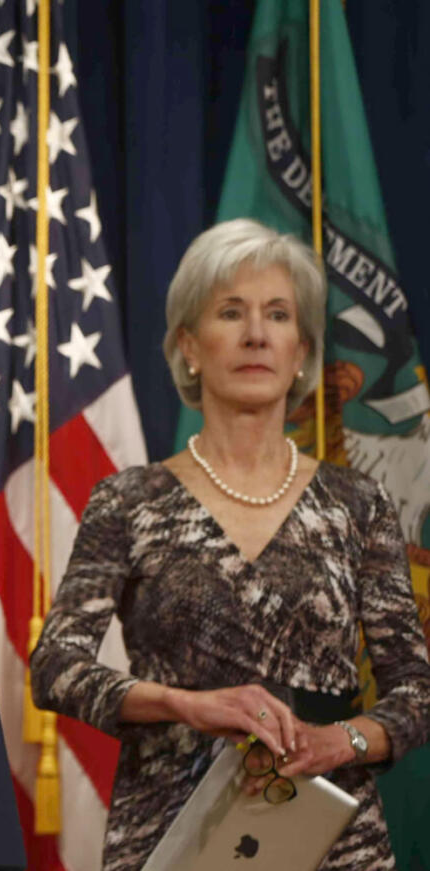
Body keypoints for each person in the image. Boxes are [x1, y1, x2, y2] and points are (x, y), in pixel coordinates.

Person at [30, 218, 430, 871]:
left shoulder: (362, 505)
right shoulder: (129, 500)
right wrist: (185, 703)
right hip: (168, 832)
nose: (255, 334)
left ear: (301, 351)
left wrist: (340, 740)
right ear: (189, 345)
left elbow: (416, 688)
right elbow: (56, 667)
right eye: (230, 312)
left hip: (332, 840)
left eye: (277, 314)